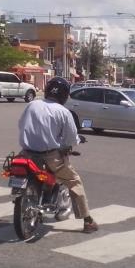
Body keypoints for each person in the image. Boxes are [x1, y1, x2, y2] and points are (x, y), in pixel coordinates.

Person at [17, 77, 98, 233]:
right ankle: (88, 221)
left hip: (26, 154)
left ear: (47, 90)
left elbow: (21, 124)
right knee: (74, 182)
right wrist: (77, 140)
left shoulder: (32, 104)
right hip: (50, 157)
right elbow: (70, 139)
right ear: (65, 95)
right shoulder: (63, 112)